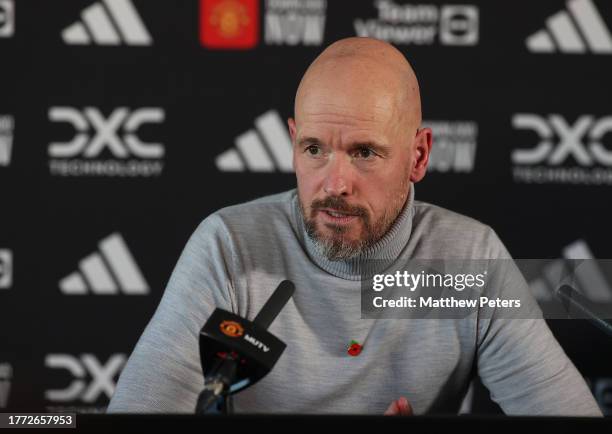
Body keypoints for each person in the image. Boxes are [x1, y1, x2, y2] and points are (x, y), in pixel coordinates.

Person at [107, 37, 602, 416]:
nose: (335, 183)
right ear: (293, 142)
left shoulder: (469, 264)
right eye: (315, 149)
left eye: (364, 152)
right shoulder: (229, 247)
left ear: (419, 155)